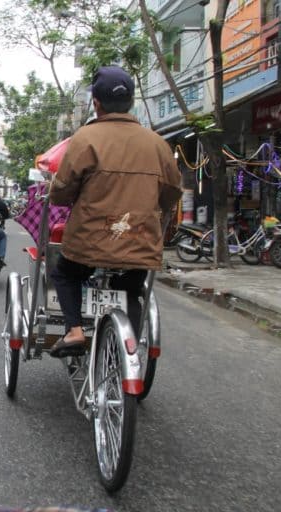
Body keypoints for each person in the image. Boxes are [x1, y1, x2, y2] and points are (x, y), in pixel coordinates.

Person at [47, 65, 182, 357]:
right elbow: (172, 193)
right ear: (131, 101)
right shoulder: (158, 144)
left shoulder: (85, 139)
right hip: (139, 242)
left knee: (65, 274)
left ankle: (75, 331)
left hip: (88, 242)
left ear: (96, 103)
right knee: (131, 288)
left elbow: (61, 192)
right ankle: (127, 350)